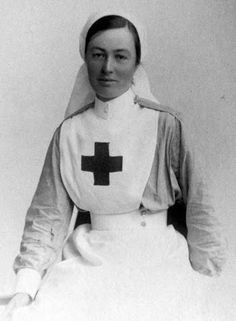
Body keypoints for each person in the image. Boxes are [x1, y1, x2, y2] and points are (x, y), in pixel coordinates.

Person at [3, 9, 227, 321]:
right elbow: (46, 216)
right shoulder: (68, 133)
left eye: (121, 56)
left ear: (137, 62)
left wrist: (207, 277)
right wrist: (25, 287)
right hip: (87, 259)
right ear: (86, 58)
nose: (108, 67)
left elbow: (201, 206)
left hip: (157, 260)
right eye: (98, 55)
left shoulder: (165, 125)